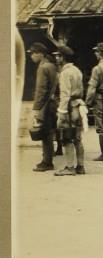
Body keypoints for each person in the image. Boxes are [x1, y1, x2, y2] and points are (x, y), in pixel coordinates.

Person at [53, 45, 88, 176]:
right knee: (78, 138)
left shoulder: (65, 73)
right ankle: (80, 166)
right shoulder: (77, 70)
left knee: (67, 138)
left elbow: (65, 94)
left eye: (58, 55)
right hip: (79, 106)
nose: (56, 58)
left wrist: (61, 113)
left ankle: (69, 167)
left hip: (69, 108)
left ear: (63, 57)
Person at [28, 42, 58, 172]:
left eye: (33, 53)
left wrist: (36, 109)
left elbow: (41, 90)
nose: (32, 56)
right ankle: (48, 159)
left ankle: (47, 162)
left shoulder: (43, 67)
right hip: (52, 104)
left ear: (40, 53)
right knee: (49, 133)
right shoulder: (51, 65)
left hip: (45, 105)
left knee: (45, 134)